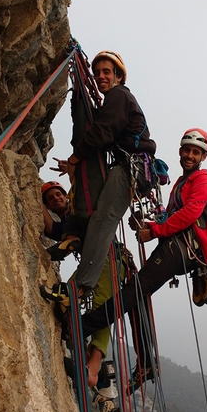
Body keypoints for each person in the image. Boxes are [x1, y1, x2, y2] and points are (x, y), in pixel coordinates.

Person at [77, 128, 207, 393]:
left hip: (184, 248)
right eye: (187, 150)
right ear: (180, 151)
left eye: (196, 152)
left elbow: (191, 213)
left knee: (134, 290)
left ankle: (81, 327)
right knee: (138, 292)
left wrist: (154, 231)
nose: (189, 155)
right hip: (179, 247)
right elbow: (174, 216)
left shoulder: (203, 180)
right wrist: (149, 225)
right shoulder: (182, 184)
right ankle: (147, 361)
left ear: (203, 157)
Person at [50, 50, 156, 295]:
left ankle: (81, 287)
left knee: (102, 221)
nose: (100, 77)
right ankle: (75, 236)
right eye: (97, 73)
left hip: (130, 168)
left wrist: (75, 159)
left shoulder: (119, 96)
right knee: (99, 215)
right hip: (129, 167)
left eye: (106, 72)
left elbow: (101, 132)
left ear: (118, 76)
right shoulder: (114, 100)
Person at [40, 181, 124, 387]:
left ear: (66, 195)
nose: (56, 198)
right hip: (94, 262)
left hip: (110, 258)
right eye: (50, 198)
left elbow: (82, 184)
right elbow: (50, 226)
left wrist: (72, 167)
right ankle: (89, 365)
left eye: (58, 194)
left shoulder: (80, 209)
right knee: (66, 297)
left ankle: (93, 369)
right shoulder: (66, 225)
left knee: (100, 307)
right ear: (49, 207)